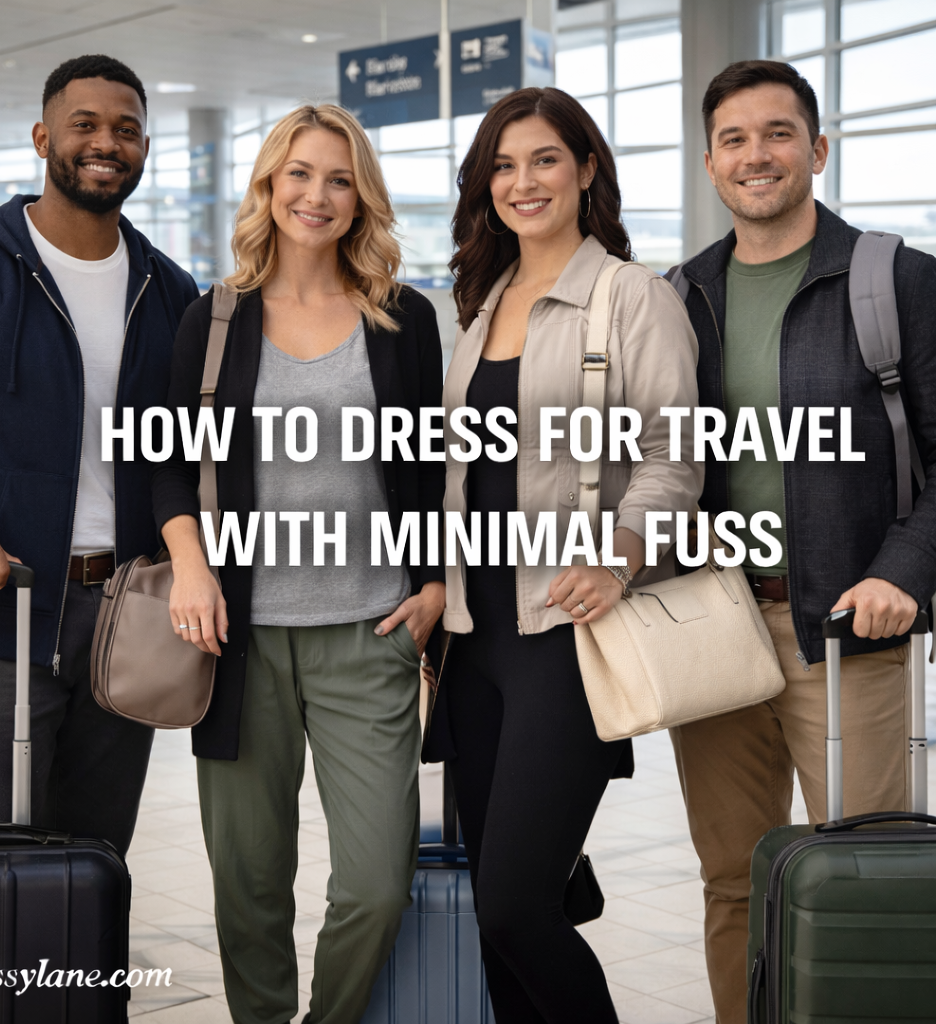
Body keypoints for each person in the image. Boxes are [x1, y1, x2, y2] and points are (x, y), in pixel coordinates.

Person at [151, 104, 445, 1024]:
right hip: (240, 639)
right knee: (249, 883)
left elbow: (435, 462)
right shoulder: (213, 318)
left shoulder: (402, 318)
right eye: (300, 175)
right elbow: (163, 459)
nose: (317, 196)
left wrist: (435, 582)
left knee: (376, 883)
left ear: (362, 198)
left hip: (371, 631)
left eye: (340, 178)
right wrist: (192, 568)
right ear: (269, 186)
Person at [668, 60, 936, 1024]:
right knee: (732, 881)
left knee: (862, 876)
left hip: (845, 633)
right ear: (709, 164)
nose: (757, 155)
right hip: (719, 630)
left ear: (817, 149)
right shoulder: (683, 294)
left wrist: (900, 572)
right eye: (734, 139)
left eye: (778, 133)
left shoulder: (896, 279)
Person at [440, 87, 702, 1023]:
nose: (523, 181)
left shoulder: (634, 297)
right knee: (499, 910)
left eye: (545, 158)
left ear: (586, 169)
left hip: (567, 643)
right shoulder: (482, 304)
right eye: (504, 166)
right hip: (477, 641)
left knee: (516, 906)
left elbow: (676, 456)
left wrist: (621, 555)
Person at [0, 55, 198, 854]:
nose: (107, 142)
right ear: (44, 137)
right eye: (86, 125)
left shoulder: (171, 294)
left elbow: (192, 455)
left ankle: (79, 988)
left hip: (125, 617)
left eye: (127, 129)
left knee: (97, 861)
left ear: (144, 150)